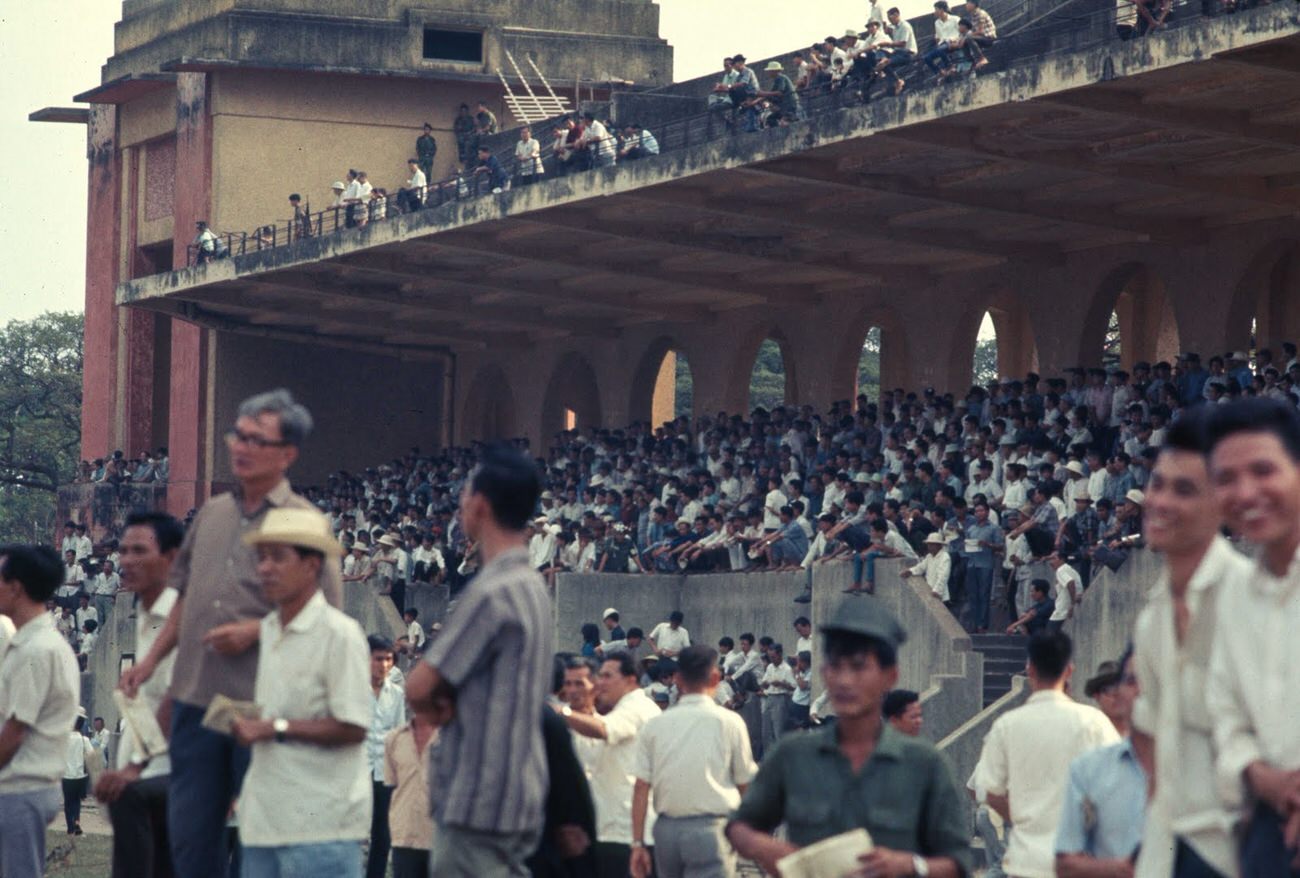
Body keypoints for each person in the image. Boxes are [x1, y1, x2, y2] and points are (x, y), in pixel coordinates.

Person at [119, 388, 344, 878]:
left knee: (261, 844)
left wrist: (256, 631)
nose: (241, 447)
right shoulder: (212, 513)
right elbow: (185, 599)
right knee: (189, 843)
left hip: (263, 708)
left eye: (257, 440)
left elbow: (327, 618)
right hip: (197, 703)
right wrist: (152, 660)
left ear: (288, 454)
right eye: (238, 435)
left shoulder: (304, 522)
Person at [728, 598, 970, 877]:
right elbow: (738, 825)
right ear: (824, 673)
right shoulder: (793, 754)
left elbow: (958, 862)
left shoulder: (925, 764)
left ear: (890, 677)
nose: (844, 681)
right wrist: (767, 848)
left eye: (858, 667)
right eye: (835, 667)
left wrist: (910, 865)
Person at [405, 443, 552, 878]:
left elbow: (418, 688)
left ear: (481, 505)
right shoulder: (531, 586)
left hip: (477, 796)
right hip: (518, 793)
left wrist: (440, 708)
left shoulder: (492, 591)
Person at [1130, 412, 1251, 878]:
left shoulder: (1256, 605)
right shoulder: (1150, 619)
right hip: (1168, 852)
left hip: (1245, 854)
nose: (1159, 502)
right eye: (1158, 484)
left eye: (1184, 490)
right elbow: (1154, 742)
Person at [231, 507, 372, 877]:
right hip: (264, 822)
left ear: (311, 565)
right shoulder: (270, 631)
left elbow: (354, 726)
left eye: (278, 557)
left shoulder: (339, 634)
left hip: (320, 828)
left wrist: (273, 728)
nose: (265, 568)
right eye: (262, 558)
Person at [1203, 398, 1300, 876]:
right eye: (1226, 479)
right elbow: (1227, 716)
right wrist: (1263, 778)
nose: (1246, 493)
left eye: (1264, 471)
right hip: (1267, 827)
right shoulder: (1230, 596)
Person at [970, 631, 1120, 878]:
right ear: (1069, 670)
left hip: (1025, 861)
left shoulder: (1006, 726)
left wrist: (1020, 818)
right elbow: (1116, 787)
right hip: (1077, 861)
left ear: (1030, 670)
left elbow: (988, 792)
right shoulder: (1093, 722)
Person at [94, 511, 185, 878]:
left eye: (139, 551)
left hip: (172, 779)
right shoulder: (145, 615)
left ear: (172, 557)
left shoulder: (183, 618)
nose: (126, 560)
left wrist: (135, 768)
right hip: (145, 780)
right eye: (123, 550)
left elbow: (180, 694)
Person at [629, 645, 757, 878]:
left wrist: (637, 842)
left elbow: (640, 786)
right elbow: (745, 783)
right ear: (716, 678)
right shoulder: (730, 722)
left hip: (666, 830)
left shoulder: (656, 725)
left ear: (677, 678)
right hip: (711, 831)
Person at [0, 544, 80, 876]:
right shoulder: (38, 643)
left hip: (20, 787)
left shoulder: (34, 650)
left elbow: (15, 732)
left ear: (15, 587)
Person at [560, 652, 662, 878]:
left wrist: (558, 712)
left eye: (607, 676)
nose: (601, 682)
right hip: (612, 830)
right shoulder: (620, 711)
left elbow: (605, 730)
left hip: (625, 833)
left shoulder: (636, 708)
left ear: (631, 680)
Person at [1055, 649, 1146, 876]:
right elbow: (1066, 859)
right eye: (1109, 689)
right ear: (1096, 695)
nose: (1115, 694)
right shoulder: (1090, 755)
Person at [366, 635, 406, 878]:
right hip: (357, 770)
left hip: (384, 771)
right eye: (378, 659)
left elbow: (398, 733)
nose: (384, 665)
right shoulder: (352, 689)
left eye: (388, 659)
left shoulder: (397, 694)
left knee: (382, 835)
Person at [384, 714, 438, 878]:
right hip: (404, 836)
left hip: (440, 838)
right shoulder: (394, 738)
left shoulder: (452, 737)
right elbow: (392, 783)